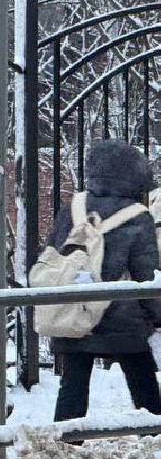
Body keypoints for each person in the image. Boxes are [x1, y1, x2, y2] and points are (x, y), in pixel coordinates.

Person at [48, 139, 161, 421]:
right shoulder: (138, 216)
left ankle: (65, 451)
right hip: (123, 321)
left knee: (72, 389)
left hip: (75, 311)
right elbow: (146, 276)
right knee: (145, 388)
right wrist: (156, 317)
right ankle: (156, 440)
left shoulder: (71, 209)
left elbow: (53, 255)